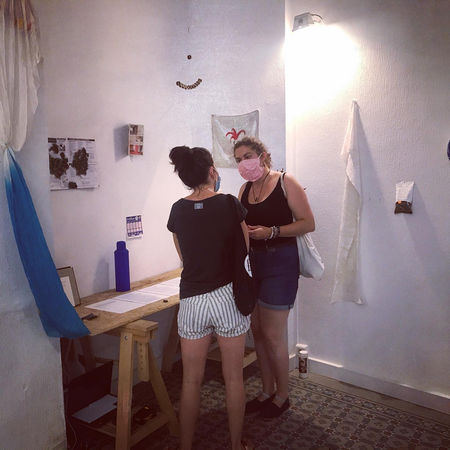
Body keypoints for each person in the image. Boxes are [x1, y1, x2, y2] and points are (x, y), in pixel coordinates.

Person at [167, 146, 253, 450]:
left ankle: (185, 446)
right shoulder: (230, 204)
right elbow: (244, 251)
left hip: (192, 300)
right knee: (233, 379)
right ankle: (235, 445)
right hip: (226, 296)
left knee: (191, 381)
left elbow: (184, 257)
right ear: (212, 171)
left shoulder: (177, 210)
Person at [234, 136, 315, 419]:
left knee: (272, 334)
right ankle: (266, 391)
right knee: (257, 332)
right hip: (253, 265)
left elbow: (308, 223)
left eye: (247, 156)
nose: (243, 163)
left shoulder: (285, 182)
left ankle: (282, 395)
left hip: (281, 263)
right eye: (238, 160)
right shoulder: (244, 189)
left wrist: (272, 232)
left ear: (263, 155)